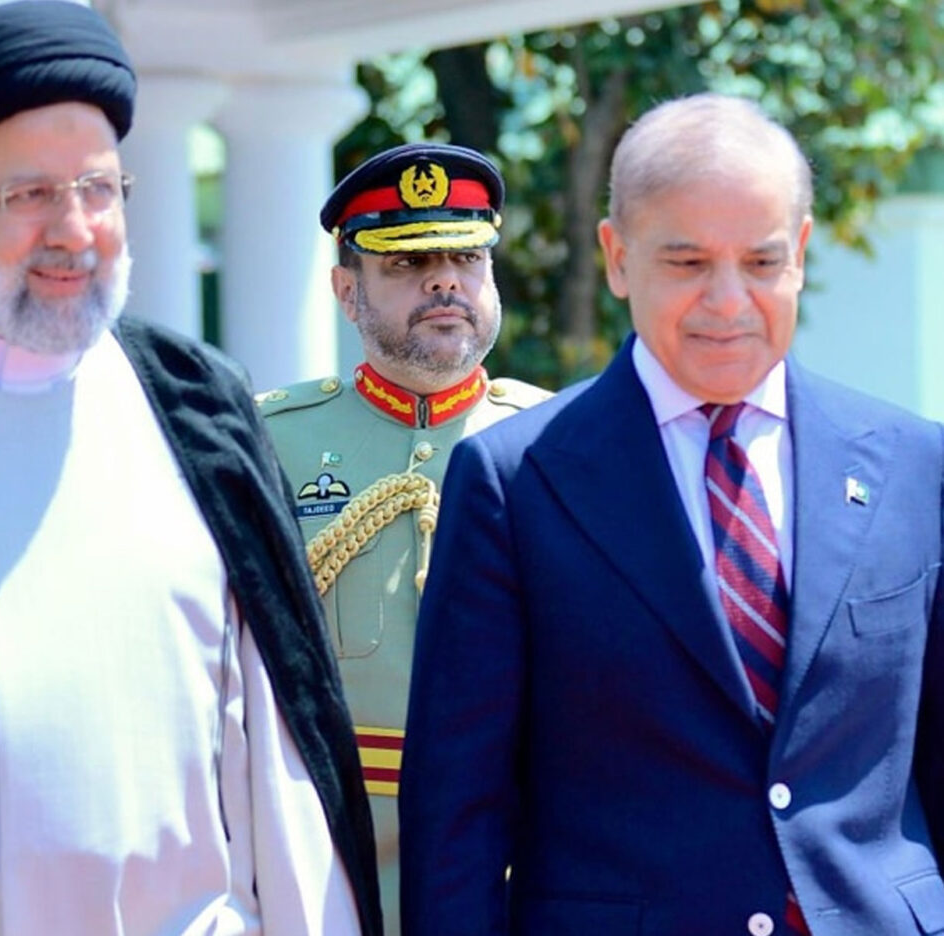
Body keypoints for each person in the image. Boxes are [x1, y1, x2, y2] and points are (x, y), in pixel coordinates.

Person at [0, 3, 381, 935]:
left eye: (99, 189)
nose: (74, 229)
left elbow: (282, 736)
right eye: (28, 195)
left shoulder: (198, 400)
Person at [399, 92, 944, 935]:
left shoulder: (913, 464)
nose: (728, 301)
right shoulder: (517, 483)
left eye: (761, 263)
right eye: (688, 263)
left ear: (800, 253)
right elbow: (456, 818)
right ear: (618, 258)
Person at [258, 142, 549, 935]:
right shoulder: (266, 443)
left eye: (466, 258)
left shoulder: (560, 444)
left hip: (510, 864)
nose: (444, 281)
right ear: (346, 290)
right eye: (408, 262)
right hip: (319, 858)